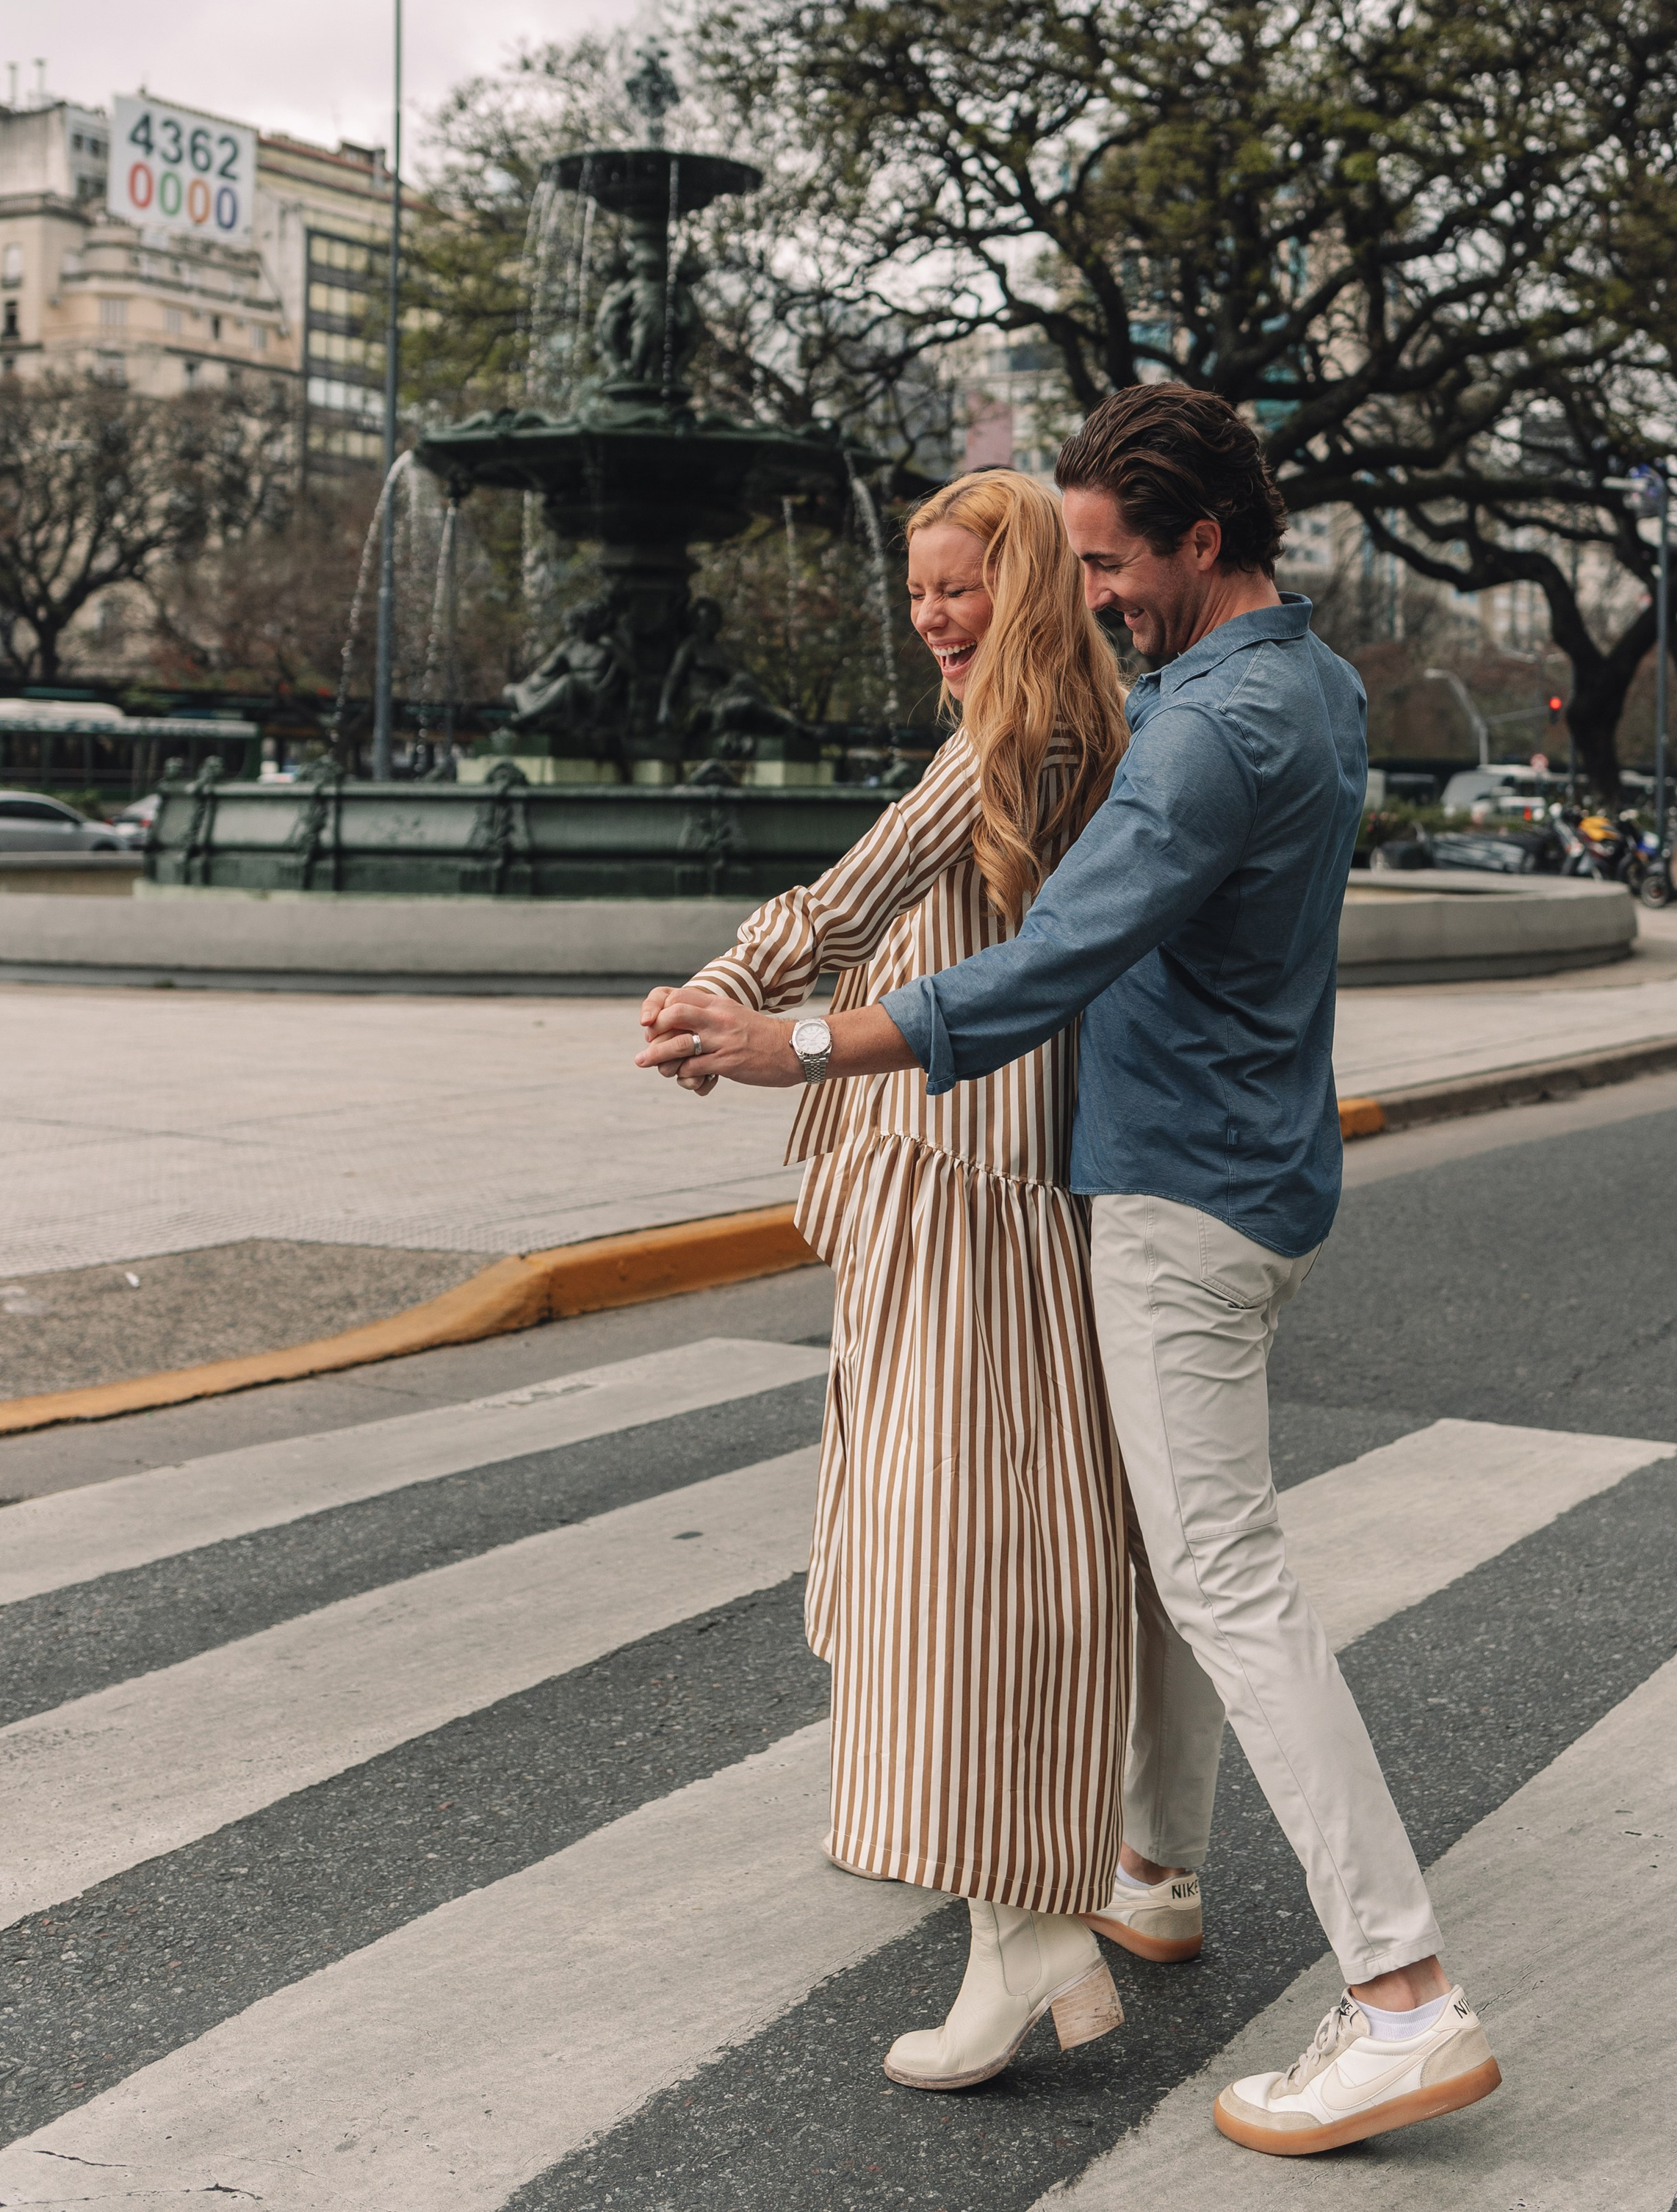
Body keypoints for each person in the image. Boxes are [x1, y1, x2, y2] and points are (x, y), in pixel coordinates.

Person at [641, 389, 1503, 2161]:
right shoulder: (1306, 682)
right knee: (1178, 1563)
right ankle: (1152, 1874)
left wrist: (789, 1045)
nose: (1093, 592)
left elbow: (1036, 968)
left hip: (1176, 1203)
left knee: (1222, 1579)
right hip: (1252, 1175)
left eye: (1111, 562)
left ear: (1203, 540)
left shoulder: (1206, 735)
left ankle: (1402, 1996)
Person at [637, 469, 1136, 2092]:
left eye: (959, 587)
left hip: (969, 1192)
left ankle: (1028, 1927)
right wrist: (730, 1000)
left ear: (1027, 588)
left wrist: (728, 999)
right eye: (916, 590)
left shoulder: (1015, 740)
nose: (931, 616)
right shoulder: (1057, 727)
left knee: (956, 1564)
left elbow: (845, 897)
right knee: (987, 1550)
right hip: (980, 1183)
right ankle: (1051, 1899)